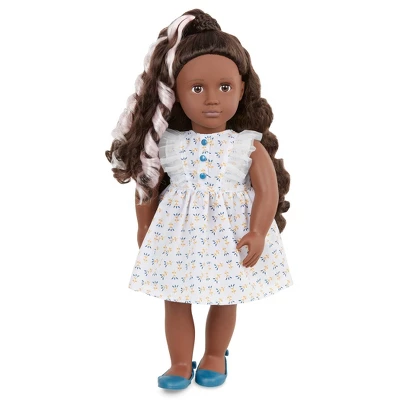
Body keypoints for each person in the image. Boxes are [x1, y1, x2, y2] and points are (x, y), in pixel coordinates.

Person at [105, 9, 293, 390]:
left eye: (224, 87)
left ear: (241, 88)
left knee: (225, 296)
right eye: (196, 88)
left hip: (230, 235)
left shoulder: (246, 144)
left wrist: (258, 230)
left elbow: (267, 190)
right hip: (178, 237)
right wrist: (144, 226)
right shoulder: (167, 143)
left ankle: (214, 354)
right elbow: (147, 184)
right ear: (175, 92)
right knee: (175, 298)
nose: (211, 99)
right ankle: (179, 361)